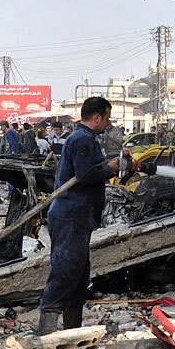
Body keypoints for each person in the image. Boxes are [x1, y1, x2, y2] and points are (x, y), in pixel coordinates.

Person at [38, 97, 124, 334]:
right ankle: (46, 334)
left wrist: (110, 164)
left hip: (78, 216)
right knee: (65, 272)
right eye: (106, 118)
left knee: (78, 275)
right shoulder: (82, 140)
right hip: (71, 215)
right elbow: (85, 175)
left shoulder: (86, 138)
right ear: (96, 117)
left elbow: (90, 168)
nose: (108, 123)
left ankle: (71, 332)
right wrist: (111, 168)